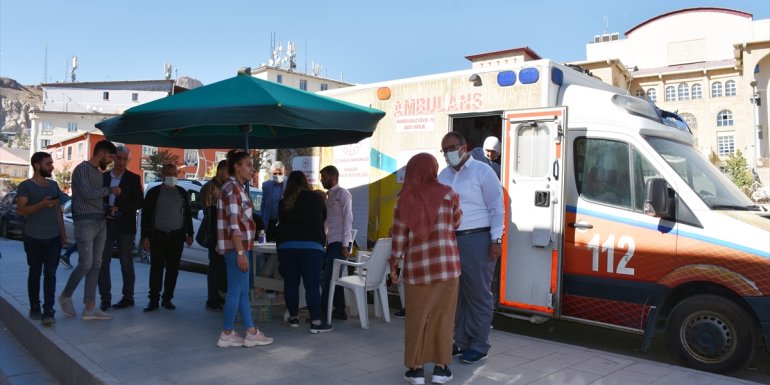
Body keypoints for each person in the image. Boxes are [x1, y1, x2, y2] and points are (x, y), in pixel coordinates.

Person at [390, 153, 462, 385]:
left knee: (417, 318)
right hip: (447, 268)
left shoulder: (404, 199)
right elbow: (456, 222)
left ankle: (417, 370)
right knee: (443, 317)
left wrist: (394, 265)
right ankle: (441, 369)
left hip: (417, 269)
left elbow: (398, 237)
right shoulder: (449, 194)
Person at [437, 132, 504, 364]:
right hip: (450, 240)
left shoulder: (483, 171)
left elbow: (497, 207)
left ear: (464, 147)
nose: (449, 153)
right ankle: (462, 341)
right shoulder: (443, 175)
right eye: (444, 150)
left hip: (477, 239)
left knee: (478, 294)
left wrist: (496, 240)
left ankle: (479, 344)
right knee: (458, 295)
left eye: (452, 147)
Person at [216, 151, 273, 347]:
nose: (252, 168)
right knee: (235, 291)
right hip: (236, 249)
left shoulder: (236, 188)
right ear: (236, 167)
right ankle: (227, 333)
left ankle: (250, 331)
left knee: (240, 292)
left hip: (238, 248)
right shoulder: (232, 189)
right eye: (248, 165)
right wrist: (241, 253)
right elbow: (234, 225)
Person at [59, 140, 119, 321]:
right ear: (101, 153)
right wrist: (110, 190)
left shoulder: (98, 173)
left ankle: (90, 307)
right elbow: (87, 194)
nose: (110, 161)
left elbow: (94, 198)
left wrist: (107, 208)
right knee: (86, 264)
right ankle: (66, 296)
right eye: (110, 157)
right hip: (85, 222)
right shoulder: (82, 169)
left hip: (100, 221)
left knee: (96, 264)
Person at [276, 171, 331, 333]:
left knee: (290, 283)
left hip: (286, 247)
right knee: (311, 285)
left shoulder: (283, 202)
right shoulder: (316, 198)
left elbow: (281, 223)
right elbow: (323, 217)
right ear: (305, 182)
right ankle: (316, 322)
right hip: (311, 247)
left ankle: (293, 318)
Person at [17, 152, 67, 326]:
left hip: (53, 237)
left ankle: (49, 311)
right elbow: (21, 210)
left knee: (51, 274)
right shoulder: (25, 186)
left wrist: (62, 231)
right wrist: (41, 204)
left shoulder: (54, 185)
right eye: (48, 164)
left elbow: (58, 209)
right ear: (37, 165)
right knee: (35, 273)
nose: (52, 166)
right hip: (33, 237)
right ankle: (35, 307)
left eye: (52, 163)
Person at [140, 164, 194, 312]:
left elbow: (187, 214)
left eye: (174, 173)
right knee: (156, 268)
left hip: (177, 236)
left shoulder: (182, 192)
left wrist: (190, 233)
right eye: (168, 173)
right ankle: (153, 300)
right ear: (163, 175)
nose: (172, 176)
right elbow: (146, 215)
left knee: (173, 269)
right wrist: (145, 236)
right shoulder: (153, 193)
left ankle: (167, 298)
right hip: (158, 235)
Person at [97, 146, 143, 311]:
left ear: (128, 160)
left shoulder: (133, 178)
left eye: (125, 159)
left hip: (125, 225)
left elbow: (139, 201)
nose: (122, 162)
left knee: (126, 262)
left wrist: (120, 209)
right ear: (114, 158)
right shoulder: (102, 177)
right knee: (103, 262)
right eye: (119, 158)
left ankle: (128, 297)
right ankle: (105, 299)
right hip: (105, 224)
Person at [319, 165, 352, 322]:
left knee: (327, 278)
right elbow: (327, 221)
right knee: (332, 277)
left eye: (324, 177)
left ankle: (323, 313)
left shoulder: (343, 193)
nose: (321, 180)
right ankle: (340, 310)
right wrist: (322, 239)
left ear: (333, 176)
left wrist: (345, 243)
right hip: (331, 242)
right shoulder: (329, 196)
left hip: (341, 242)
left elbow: (348, 218)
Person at [201, 159, 228, 311]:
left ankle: (220, 294)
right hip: (214, 232)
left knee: (222, 267)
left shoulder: (225, 187)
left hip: (224, 232)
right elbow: (208, 211)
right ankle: (212, 297)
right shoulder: (209, 187)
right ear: (220, 171)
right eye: (227, 171)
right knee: (215, 266)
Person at [259, 161, 286, 242]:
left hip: (283, 221)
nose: (277, 175)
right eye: (275, 173)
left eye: (280, 173)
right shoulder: (266, 185)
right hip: (270, 221)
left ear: (284, 172)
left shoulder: (288, 184)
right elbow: (263, 204)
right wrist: (262, 223)